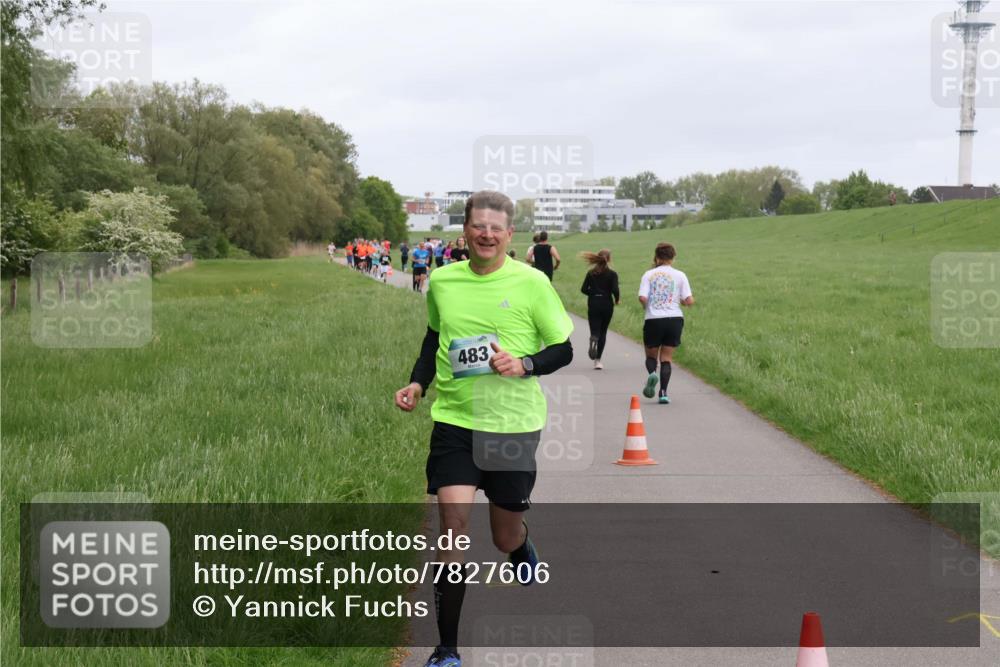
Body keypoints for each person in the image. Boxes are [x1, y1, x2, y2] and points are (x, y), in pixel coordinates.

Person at [394, 191, 573, 667]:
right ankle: (447, 648)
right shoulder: (443, 280)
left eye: (497, 228)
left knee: (502, 535)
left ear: (509, 235)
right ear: (466, 231)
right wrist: (417, 382)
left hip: (512, 427)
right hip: (455, 421)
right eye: (479, 226)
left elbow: (563, 348)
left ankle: (520, 546)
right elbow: (435, 337)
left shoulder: (533, 283)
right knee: (452, 532)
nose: (487, 234)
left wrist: (526, 362)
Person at [638, 242, 694, 404]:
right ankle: (663, 393)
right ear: (673, 257)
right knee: (667, 358)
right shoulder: (681, 275)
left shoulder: (648, 275)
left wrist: (646, 306)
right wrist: (685, 302)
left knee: (651, 355)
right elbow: (688, 300)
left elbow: (642, 297)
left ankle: (651, 375)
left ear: (656, 257)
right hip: (675, 320)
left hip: (653, 320)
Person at [580, 249, 620, 370]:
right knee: (603, 331)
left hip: (593, 303)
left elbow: (583, 289)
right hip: (607, 303)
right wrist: (617, 299)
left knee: (595, 331)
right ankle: (597, 361)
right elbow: (615, 290)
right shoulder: (612, 274)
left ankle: (593, 338)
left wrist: (593, 293)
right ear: (609, 259)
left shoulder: (591, 273)